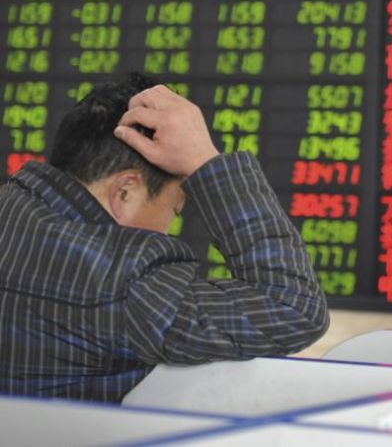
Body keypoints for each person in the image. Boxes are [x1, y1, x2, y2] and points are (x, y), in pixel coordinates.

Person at [0, 73, 329, 401]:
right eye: (176, 209)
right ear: (125, 192)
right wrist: (204, 161)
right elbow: (292, 306)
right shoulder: (122, 284)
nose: (172, 223)